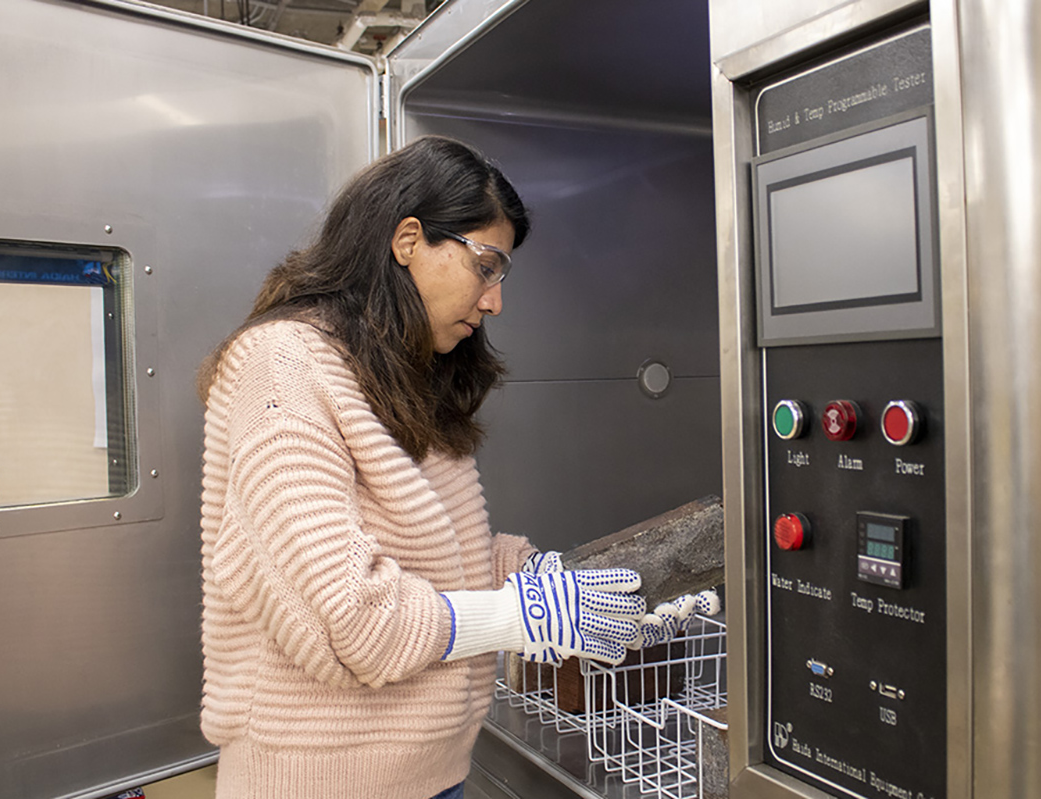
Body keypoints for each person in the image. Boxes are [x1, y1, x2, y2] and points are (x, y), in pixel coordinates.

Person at [195, 135, 711, 799]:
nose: (494, 301)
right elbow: (353, 620)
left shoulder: (404, 369)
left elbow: (424, 554)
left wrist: (526, 575)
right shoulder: (281, 366)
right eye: (486, 266)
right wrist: (519, 615)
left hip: (434, 775)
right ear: (408, 240)